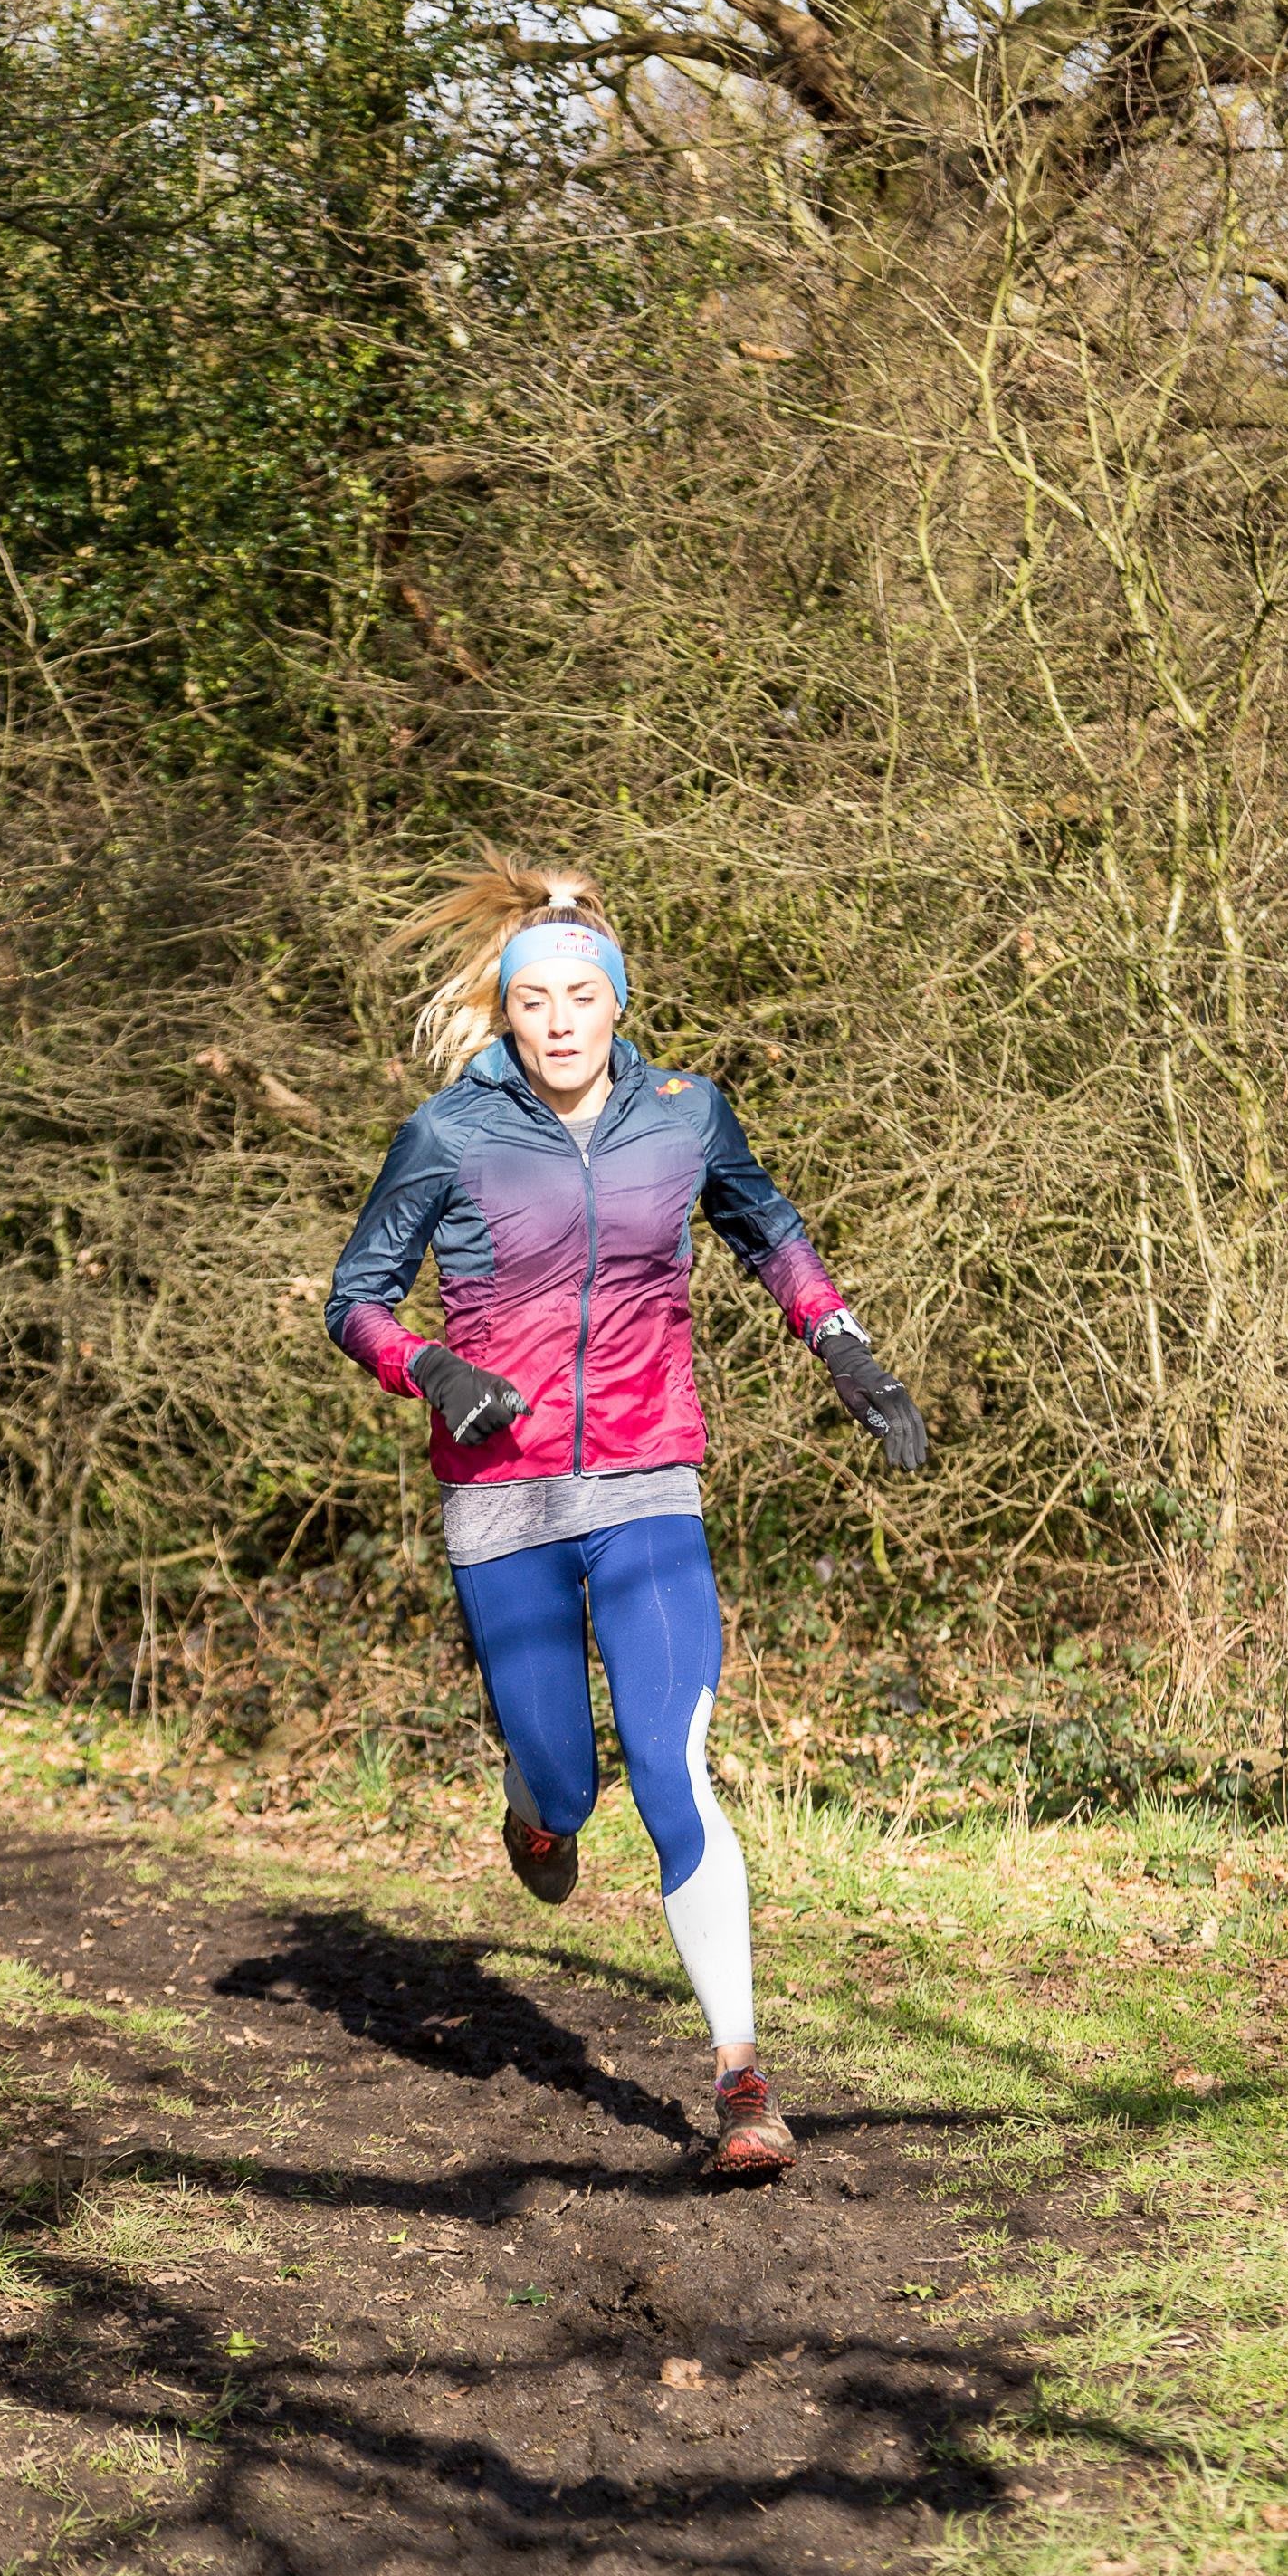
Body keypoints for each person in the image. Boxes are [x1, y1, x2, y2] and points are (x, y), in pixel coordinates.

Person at [324, 849, 927, 2178]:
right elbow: (354, 1297)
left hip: (651, 1485)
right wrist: (427, 1364)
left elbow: (766, 1228)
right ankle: (534, 1814)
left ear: (613, 1001)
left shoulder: (683, 1111)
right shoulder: (447, 1134)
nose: (554, 1020)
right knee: (567, 1779)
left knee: (676, 1765)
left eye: (576, 998)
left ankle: (739, 2076)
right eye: (529, 999)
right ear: (504, 1008)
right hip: (502, 1501)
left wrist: (843, 1346)